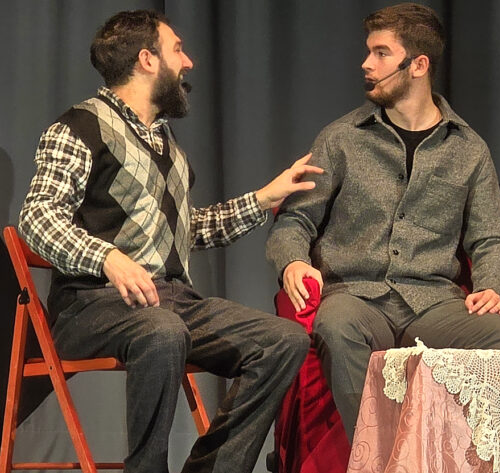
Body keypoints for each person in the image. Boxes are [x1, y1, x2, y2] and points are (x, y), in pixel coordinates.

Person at [18, 10, 320, 473]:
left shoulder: (166, 143)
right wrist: (108, 257)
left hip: (172, 301)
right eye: (177, 49)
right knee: (162, 330)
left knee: (283, 340)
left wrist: (263, 199)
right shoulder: (78, 128)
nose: (189, 62)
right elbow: (38, 217)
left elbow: (186, 230)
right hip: (92, 305)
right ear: (147, 60)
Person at [266, 3, 500, 439]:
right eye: (369, 52)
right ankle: (376, 457)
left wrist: (491, 286)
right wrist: (293, 261)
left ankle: (457, 460)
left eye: (381, 53)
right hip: (356, 296)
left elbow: (490, 238)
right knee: (337, 326)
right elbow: (295, 220)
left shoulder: (468, 149)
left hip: (433, 302)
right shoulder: (342, 138)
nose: (367, 64)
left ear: (418, 65)